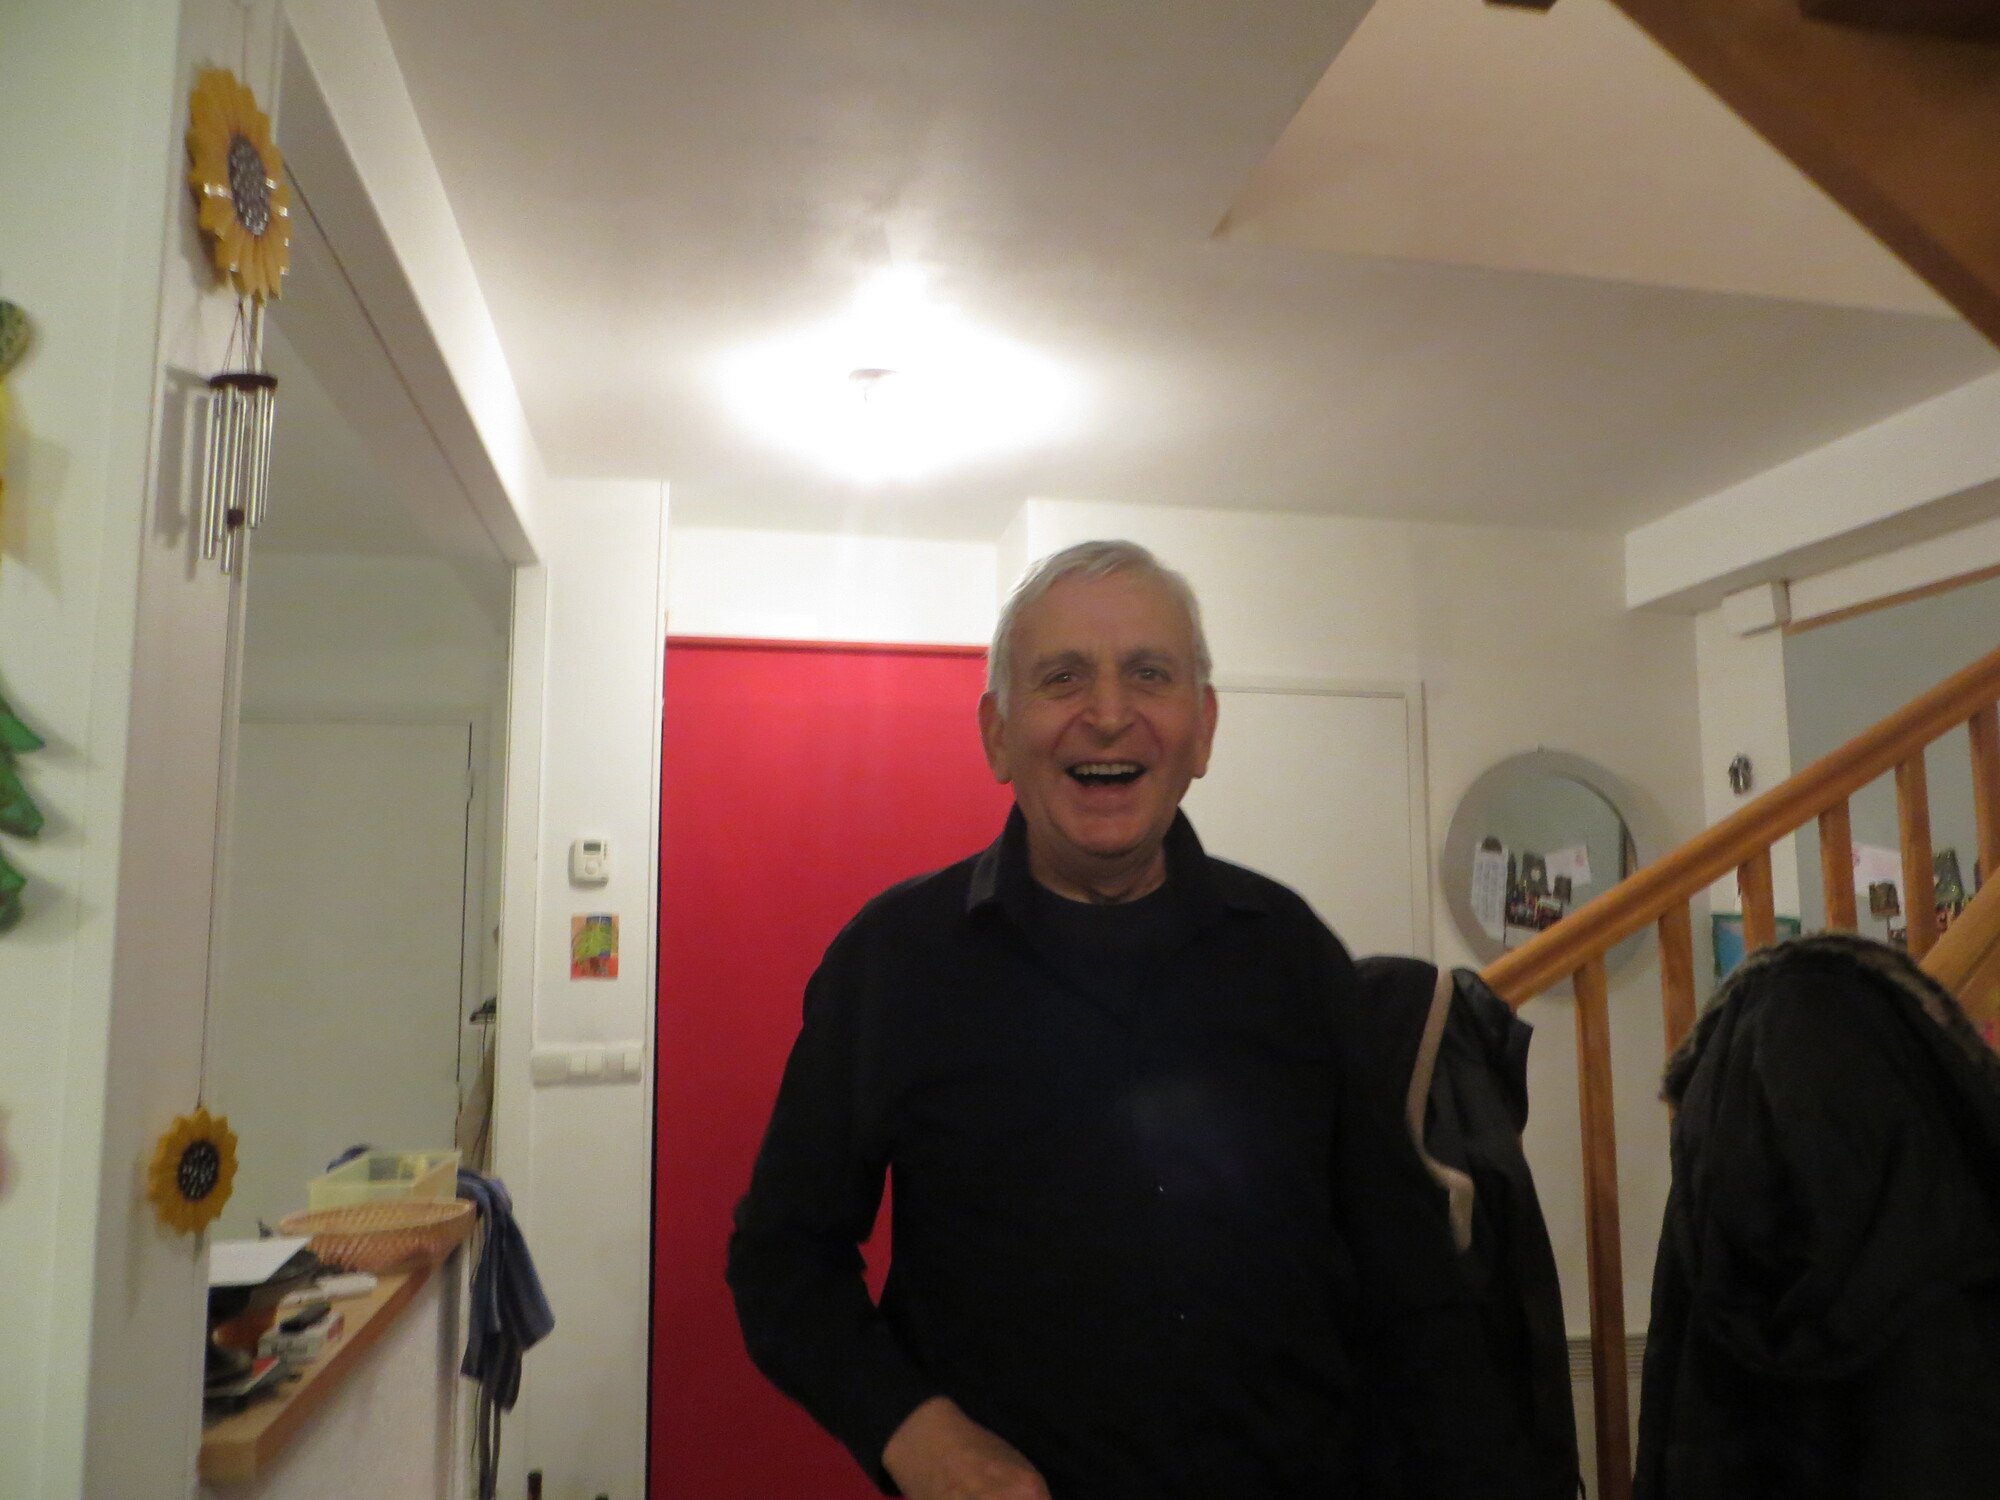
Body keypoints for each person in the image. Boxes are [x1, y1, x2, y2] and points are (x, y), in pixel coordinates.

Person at [728, 540, 1522, 1500]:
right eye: (1062, 677)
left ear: (1202, 729)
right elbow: (783, 1259)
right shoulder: (892, 961)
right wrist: (911, 1431)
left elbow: (1411, 1275)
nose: (1108, 713)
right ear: (997, 734)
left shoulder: (1291, 953)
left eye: (1150, 674)